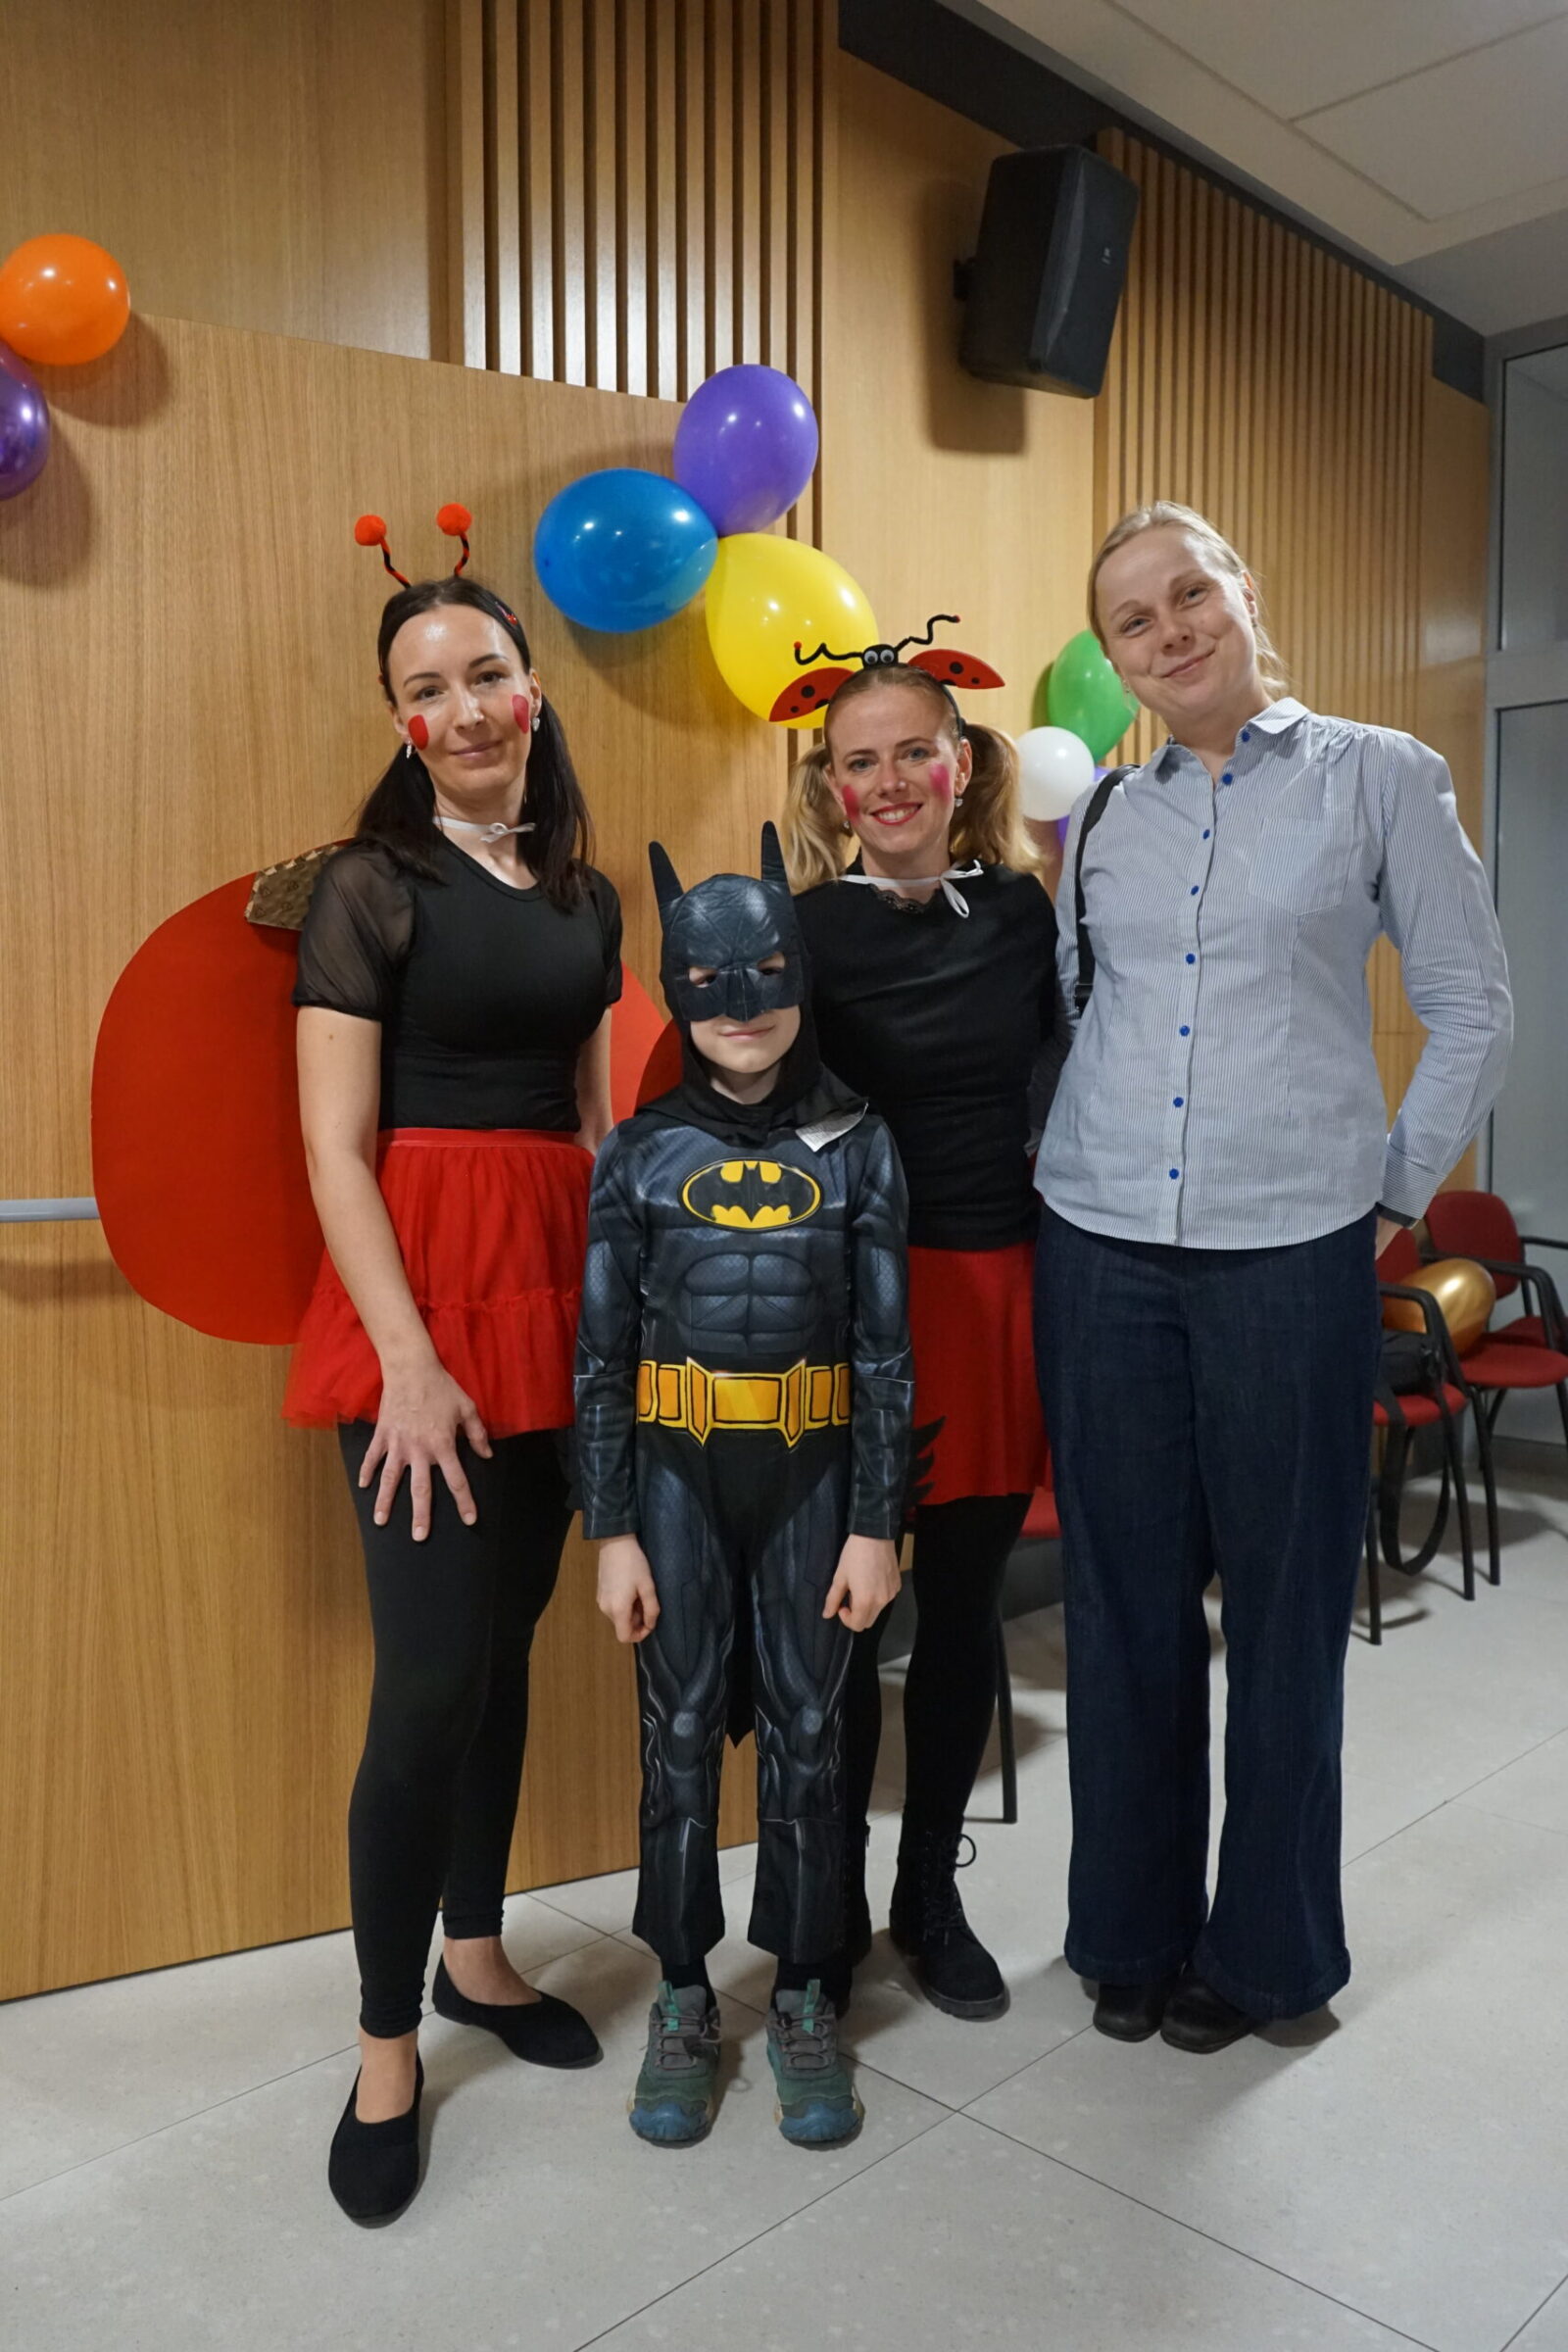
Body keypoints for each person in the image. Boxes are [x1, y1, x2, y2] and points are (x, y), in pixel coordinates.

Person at [1037, 500, 1512, 2052]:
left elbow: (1473, 1001)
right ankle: (1126, 1931)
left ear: (1243, 592)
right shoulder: (1105, 818)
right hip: (1101, 1241)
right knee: (1122, 1609)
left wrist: (1391, 1193)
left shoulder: (1381, 774)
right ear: (1112, 660)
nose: (1170, 631)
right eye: (1134, 619)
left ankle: (1267, 1957)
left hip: (1290, 1251)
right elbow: (1077, 1010)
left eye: (1191, 594)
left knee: (1290, 1611)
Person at [290, 514, 618, 2223]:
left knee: (502, 1653)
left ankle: (477, 1955)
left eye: (487, 672)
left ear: (533, 690)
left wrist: (627, 1317)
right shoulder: (369, 884)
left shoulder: (587, 894)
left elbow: (594, 1123)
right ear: (401, 721)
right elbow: (334, 1149)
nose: (466, 707)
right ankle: (382, 2048)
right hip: (423, 1301)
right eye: (429, 688)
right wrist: (409, 1368)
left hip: (558, 1297)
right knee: (426, 1681)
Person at [576, 827, 910, 2147]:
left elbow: (886, 1352)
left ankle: (806, 1990)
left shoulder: (863, 1144)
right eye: (708, 982)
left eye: (766, 975)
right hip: (673, 1474)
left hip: (818, 1474)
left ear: (799, 977)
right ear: (675, 988)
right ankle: (681, 1991)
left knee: (813, 1738)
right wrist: (611, 1530)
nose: (741, 1006)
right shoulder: (636, 1155)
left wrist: (878, 1523)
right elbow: (601, 1357)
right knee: (673, 1737)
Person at [785, 652, 1064, 2023]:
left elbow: (1070, 1082)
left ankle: (927, 1899)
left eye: (914, 753)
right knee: (844, 1623)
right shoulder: (801, 931)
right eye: (862, 761)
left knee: (961, 1617)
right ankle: (829, 1903)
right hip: (853, 1305)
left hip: (995, 1289)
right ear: (832, 789)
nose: (890, 781)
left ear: (961, 765)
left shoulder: (1021, 910)